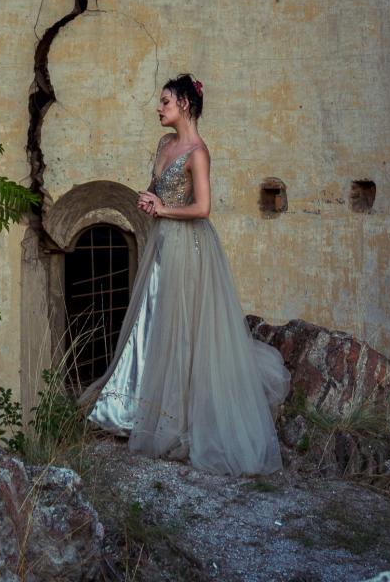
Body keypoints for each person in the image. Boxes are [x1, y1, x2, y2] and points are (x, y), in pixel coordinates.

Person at [80, 74, 289, 475]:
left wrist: (162, 209)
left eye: (165, 101)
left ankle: (182, 417)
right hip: (162, 243)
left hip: (190, 247)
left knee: (184, 326)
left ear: (185, 105)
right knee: (151, 320)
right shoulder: (164, 144)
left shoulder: (198, 152)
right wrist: (149, 199)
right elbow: (158, 187)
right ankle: (133, 409)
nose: (159, 108)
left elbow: (203, 208)